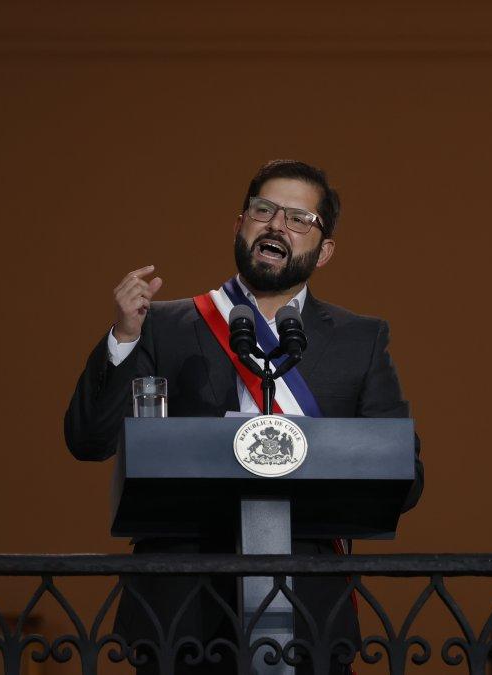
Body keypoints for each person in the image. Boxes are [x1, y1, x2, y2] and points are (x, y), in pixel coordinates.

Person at [64, 159, 423, 674]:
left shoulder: (359, 341)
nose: (278, 225)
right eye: (264, 210)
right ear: (240, 225)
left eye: (300, 219)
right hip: (181, 617)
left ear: (324, 252)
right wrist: (123, 338)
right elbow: (89, 441)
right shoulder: (162, 326)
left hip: (310, 618)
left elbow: (405, 479)